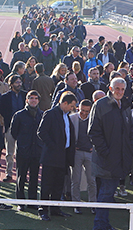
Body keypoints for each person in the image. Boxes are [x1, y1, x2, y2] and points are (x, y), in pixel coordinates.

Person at [89, 78, 133, 230]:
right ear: (110, 88)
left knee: (108, 194)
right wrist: (106, 153)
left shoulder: (125, 106)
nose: (120, 92)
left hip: (120, 159)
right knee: (106, 192)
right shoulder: (101, 105)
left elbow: (130, 131)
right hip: (106, 160)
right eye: (117, 88)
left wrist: (129, 151)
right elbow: (94, 132)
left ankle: (104, 224)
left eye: (122, 89)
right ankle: (99, 225)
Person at [37, 91, 78, 220]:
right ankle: (43, 209)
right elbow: (41, 132)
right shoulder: (50, 114)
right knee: (47, 184)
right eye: (71, 106)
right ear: (64, 103)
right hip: (51, 156)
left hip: (63, 156)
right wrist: (53, 146)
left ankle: (55, 209)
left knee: (58, 184)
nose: (73, 109)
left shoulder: (66, 116)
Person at [11, 90, 44, 210]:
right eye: (31, 98)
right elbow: (14, 132)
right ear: (27, 100)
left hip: (36, 151)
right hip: (23, 151)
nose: (33, 100)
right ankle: (20, 202)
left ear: (38, 100)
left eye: (35, 98)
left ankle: (32, 201)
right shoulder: (19, 115)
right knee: (21, 177)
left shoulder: (41, 115)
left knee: (34, 178)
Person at [69, 99, 98, 213]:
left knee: (92, 180)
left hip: (90, 152)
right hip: (77, 152)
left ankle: (93, 204)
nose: (84, 114)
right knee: (76, 179)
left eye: (87, 111)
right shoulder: (72, 119)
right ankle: (76, 204)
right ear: (78, 109)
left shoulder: (94, 119)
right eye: (82, 111)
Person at [0, 76, 26, 182]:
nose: (19, 84)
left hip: (23, 128)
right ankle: (9, 173)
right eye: (16, 82)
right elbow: (2, 111)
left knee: (23, 152)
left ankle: (22, 174)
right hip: (9, 127)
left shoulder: (25, 95)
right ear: (11, 84)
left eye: (20, 82)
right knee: (10, 152)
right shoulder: (5, 97)